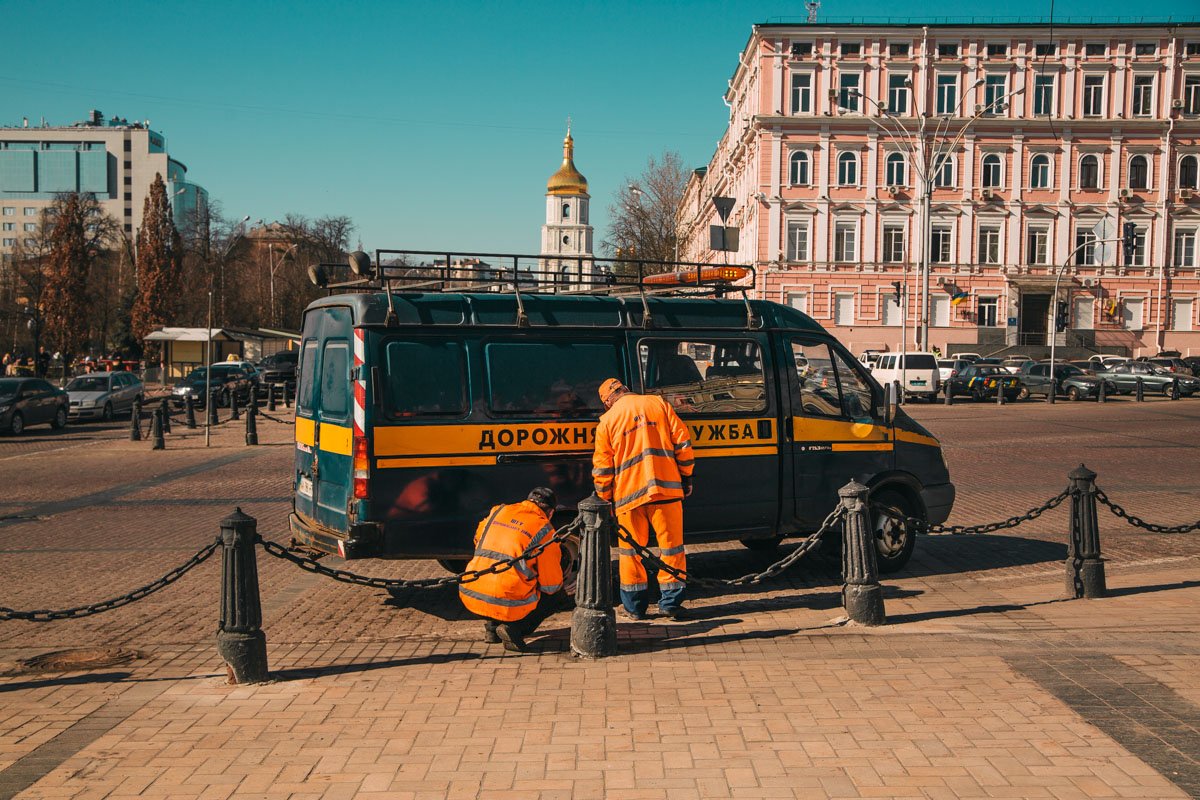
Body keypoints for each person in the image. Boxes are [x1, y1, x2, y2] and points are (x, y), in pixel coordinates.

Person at [592, 377, 694, 621]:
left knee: (630, 553)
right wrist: (686, 476)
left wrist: (605, 498)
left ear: (607, 402)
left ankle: (635, 608)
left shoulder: (607, 421)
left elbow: (602, 468)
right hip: (666, 491)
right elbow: (683, 443)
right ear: (626, 390)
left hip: (629, 497)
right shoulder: (658, 404)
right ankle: (671, 605)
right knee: (672, 549)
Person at [459, 487, 564, 652]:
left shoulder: (498, 511)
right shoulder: (544, 529)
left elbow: (477, 539)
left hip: (471, 593)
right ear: (550, 512)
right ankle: (515, 629)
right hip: (506, 602)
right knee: (557, 595)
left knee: (498, 576)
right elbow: (550, 586)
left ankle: (492, 630)